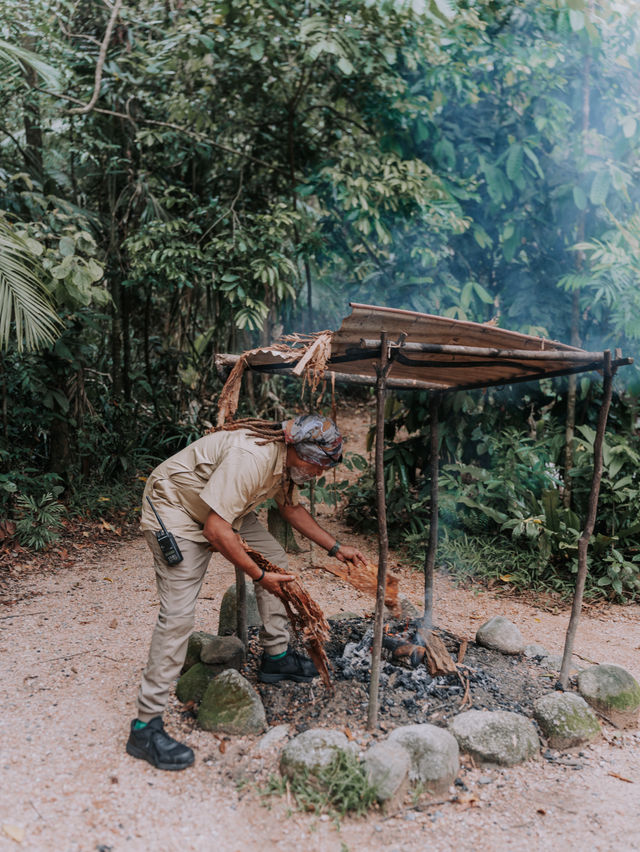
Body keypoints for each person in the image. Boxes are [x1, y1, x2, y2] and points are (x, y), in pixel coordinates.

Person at [126, 414, 366, 771]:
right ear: (296, 449)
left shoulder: (284, 463)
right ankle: (145, 727)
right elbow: (216, 530)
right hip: (175, 508)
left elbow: (290, 508)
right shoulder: (251, 458)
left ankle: (276, 656)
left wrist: (335, 548)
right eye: (316, 465)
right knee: (177, 617)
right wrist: (258, 575)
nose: (317, 474)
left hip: (219, 511)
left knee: (277, 562)